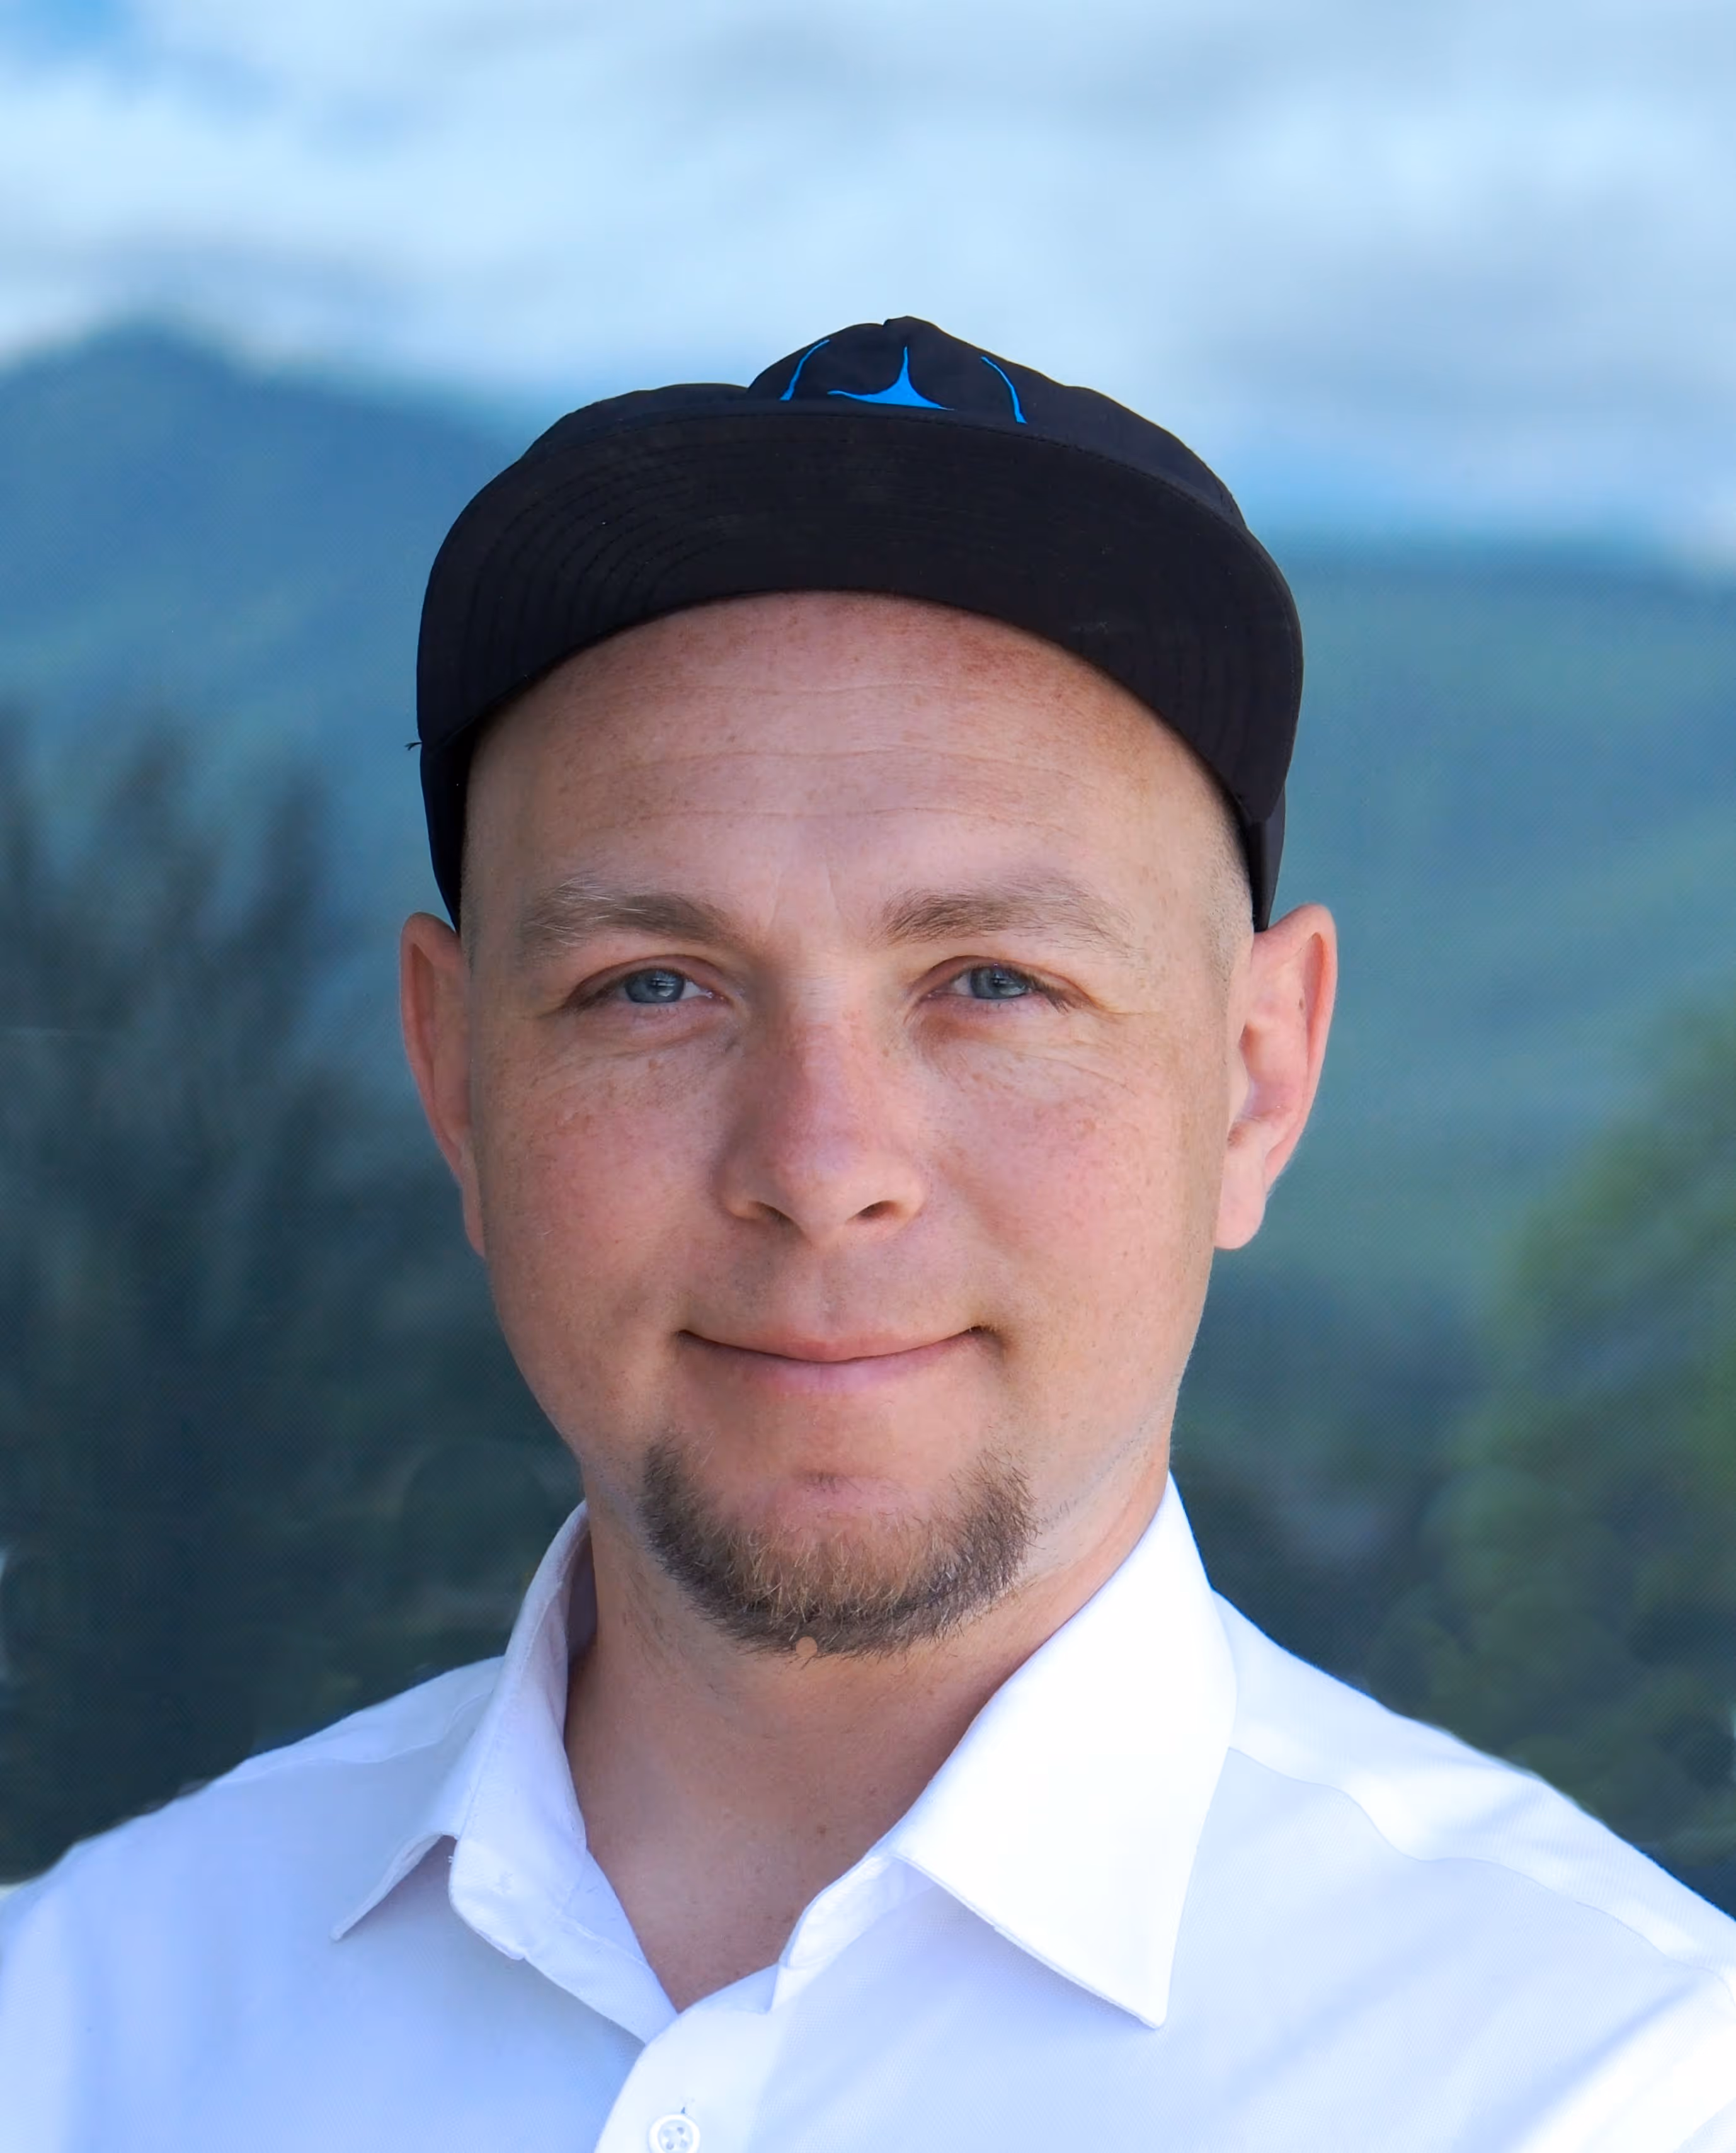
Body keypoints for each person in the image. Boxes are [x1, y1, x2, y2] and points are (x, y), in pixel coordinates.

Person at [2, 316, 1732, 2152]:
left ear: (1251, 1076)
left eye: (991, 980)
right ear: (453, 1075)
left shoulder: (1611, 2083)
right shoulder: (67, 2030)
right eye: (652, 985)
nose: (822, 1164)